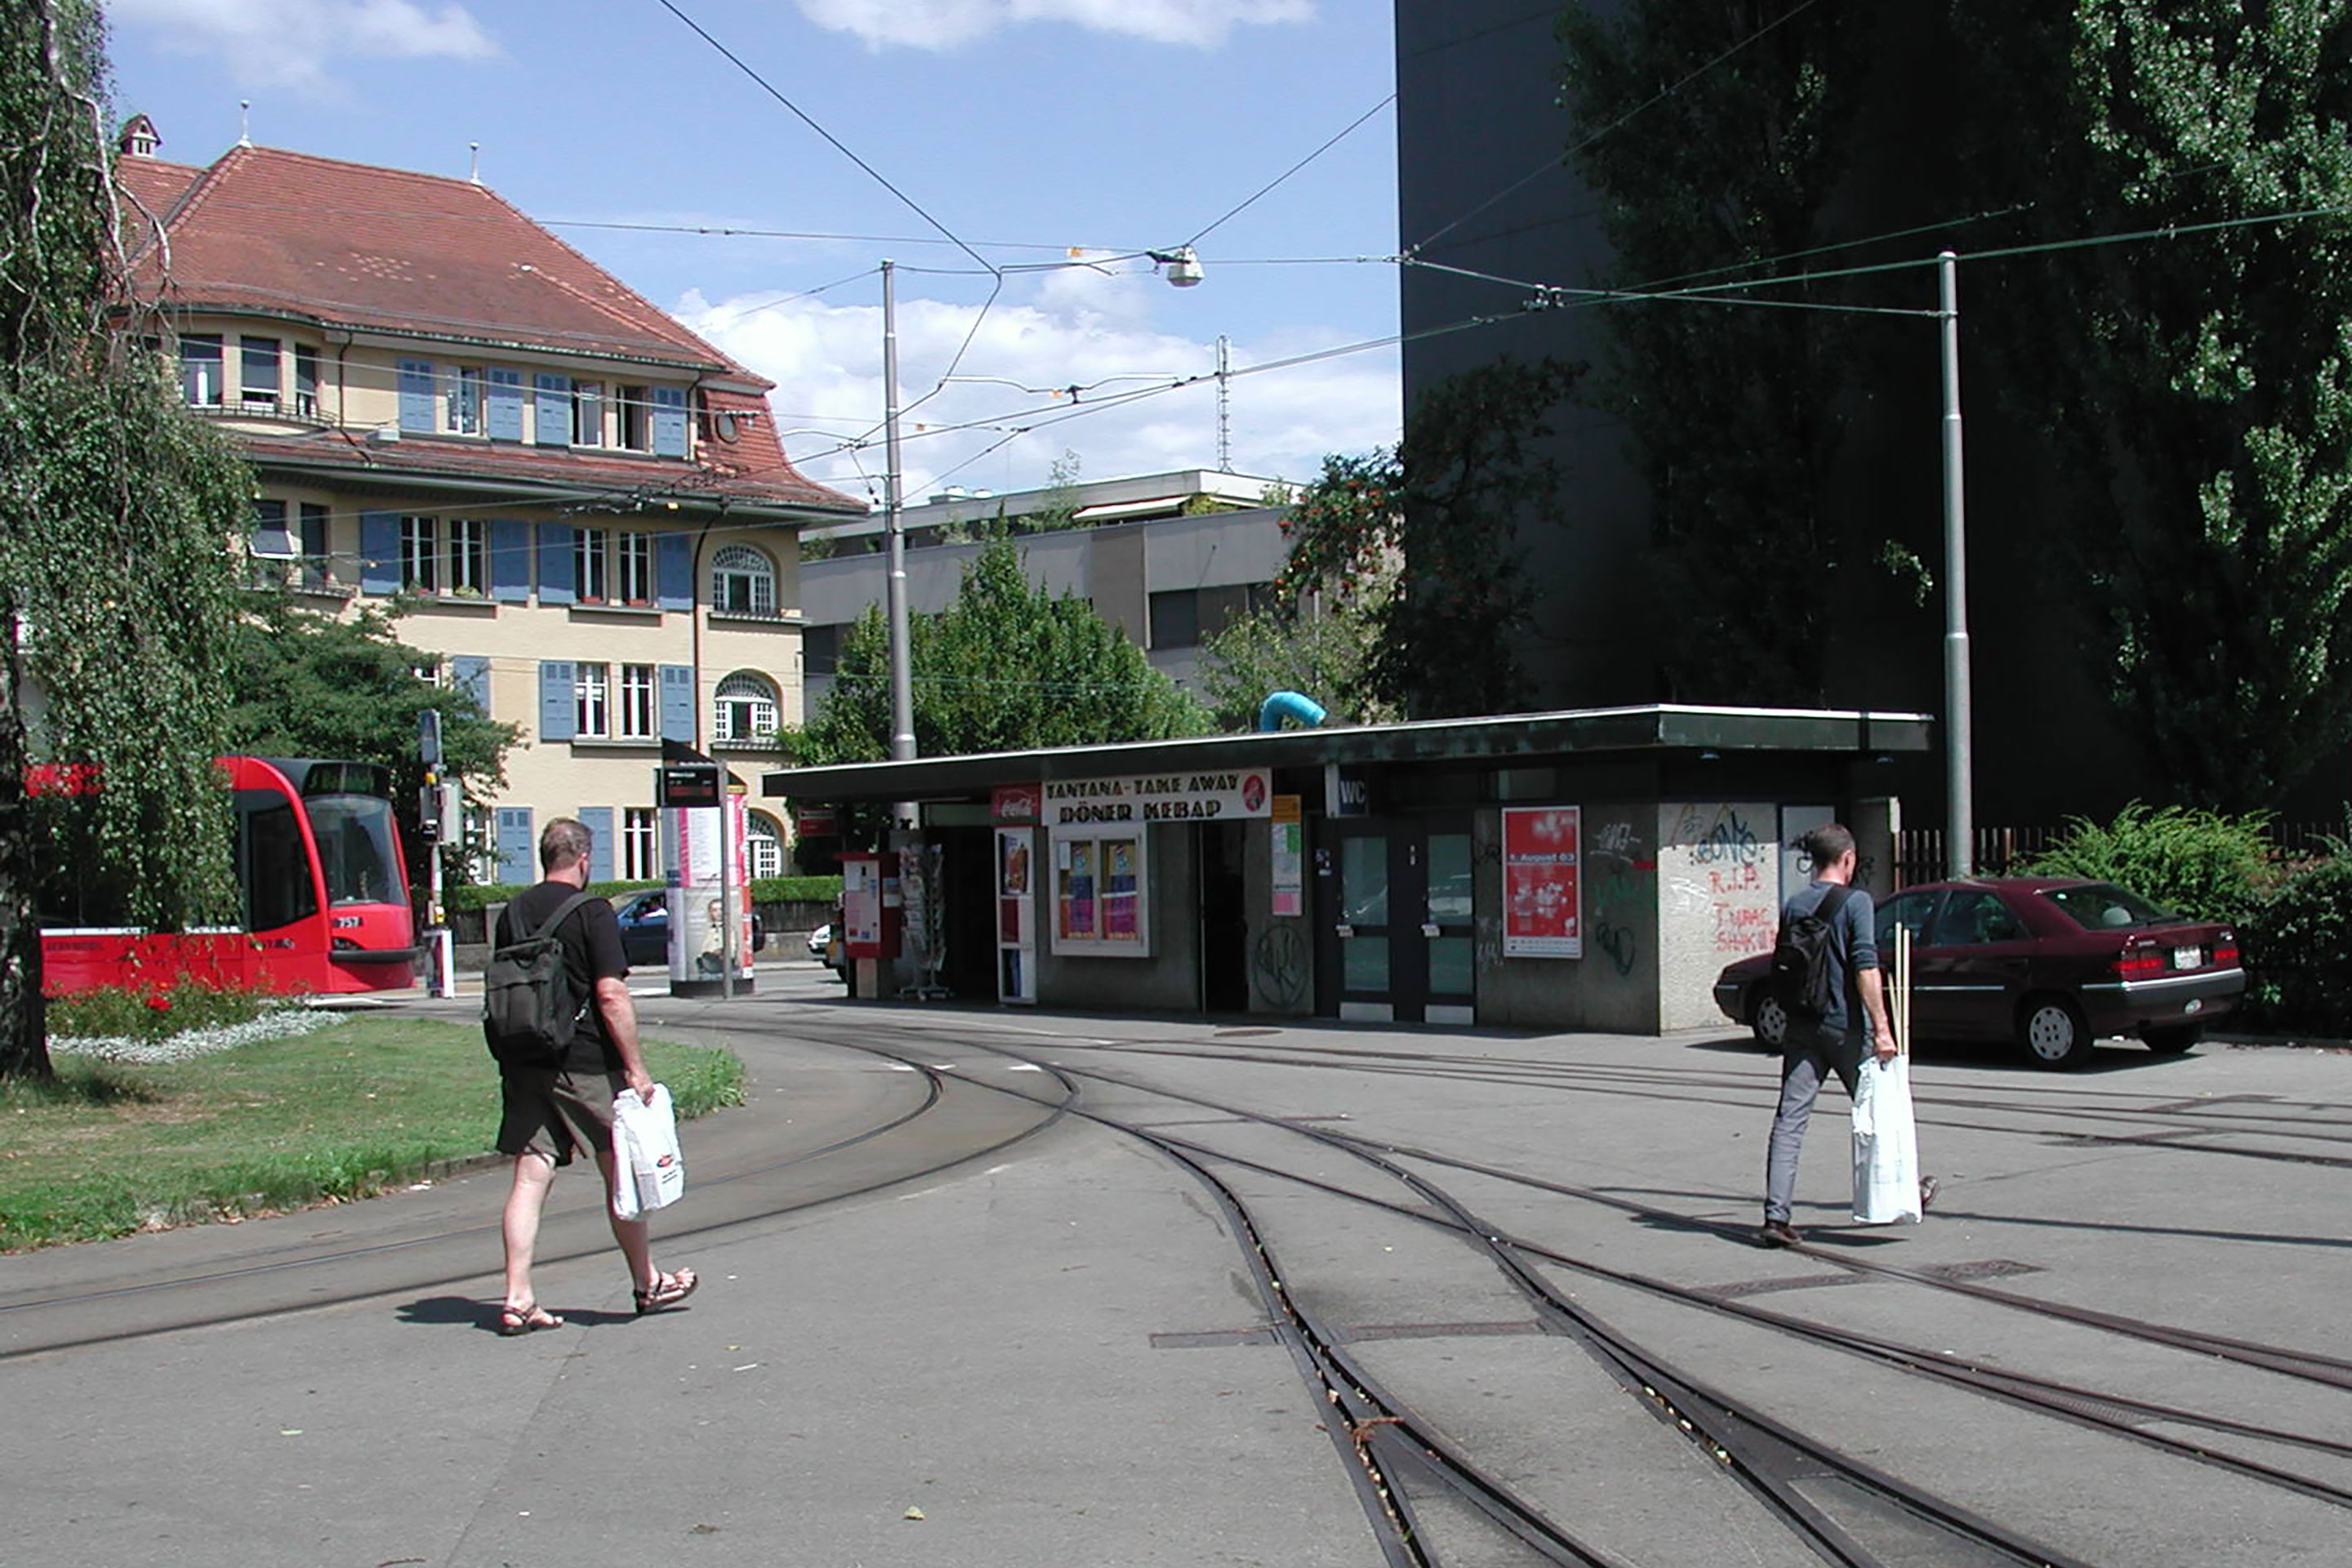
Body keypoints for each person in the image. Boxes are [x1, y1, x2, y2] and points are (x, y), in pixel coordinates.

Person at [492, 817, 697, 1333]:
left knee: (532, 1170)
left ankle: (518, 1296)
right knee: (621, 1171)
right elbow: (610, 994)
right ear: (583, 859)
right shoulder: (593, 912)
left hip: (523, 1056)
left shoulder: (512, 912)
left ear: (545, 857)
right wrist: (635, 1066)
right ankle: (647, 1283)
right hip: (582, 1060)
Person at [1760, 822, 1935, 1247]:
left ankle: (1775, 1216)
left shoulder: (1794, 904)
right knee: (1880, 1110)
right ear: (1848, 859)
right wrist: (1882, 1029)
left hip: (1802, 1025)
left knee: (1790, 1120)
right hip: (1845, 1029)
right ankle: (1903, 1193)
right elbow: (1865, 967)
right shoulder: (1856, 902)